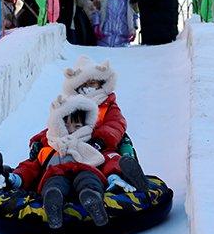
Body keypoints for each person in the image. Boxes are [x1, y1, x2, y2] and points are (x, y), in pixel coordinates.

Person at [0, 95, 110, 229]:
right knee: (54, 181)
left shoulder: (92, 144)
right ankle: (53, 199)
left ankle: (91, 198)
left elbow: (108, 161)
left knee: (89, 178)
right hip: (57, 174)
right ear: (58, 125)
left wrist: (115, 176)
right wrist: (18, 177)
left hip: (85, 171)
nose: (71, 130)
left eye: (77, 126)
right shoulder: (49, 148)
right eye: (66, 125)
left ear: (86, 126)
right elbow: (31, 167)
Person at [29, 56, 149, 193]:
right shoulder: (71, 104)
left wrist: (100, 140)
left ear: (100, 83)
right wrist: (38, 140)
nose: (88, 88)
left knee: (110, 158)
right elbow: (55, 125)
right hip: (74, 142)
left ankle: (118, 177)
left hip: (102, 143)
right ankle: (47, 184)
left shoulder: (107, 104)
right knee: (48, 156)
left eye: (92, 84)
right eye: (84, 85)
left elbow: (116, 124)